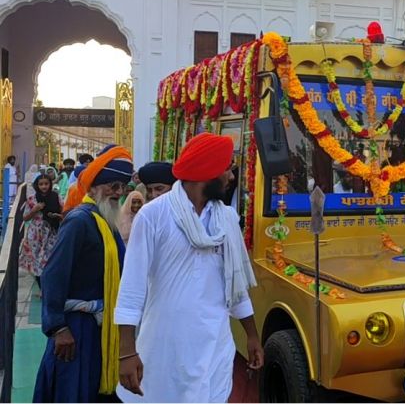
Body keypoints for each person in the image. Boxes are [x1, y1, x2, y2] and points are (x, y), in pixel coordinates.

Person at [115, 133, 263, 402]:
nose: (231, 177)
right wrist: (127, 351)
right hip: (167, 344)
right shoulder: (153, 216)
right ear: (207, 172)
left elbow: (236, 286)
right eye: (227, 169)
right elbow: (132, 288)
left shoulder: (227, 218)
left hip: (215, 342)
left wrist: (252, 335)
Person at [33, 144, 133, 403]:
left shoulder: (106, 224)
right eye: (112, 185)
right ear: (93, 188)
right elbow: (53, 275)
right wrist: (58, 328)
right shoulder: (79, 221)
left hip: (101, 328)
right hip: (75, 330)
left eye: (122, 186)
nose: (118, 192)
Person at [20, 174, 62, 291]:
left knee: (49, 259)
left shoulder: (56, 197)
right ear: (37, 186)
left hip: (51, 233)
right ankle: (42, 289)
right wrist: (34, 209)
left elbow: (63, 213)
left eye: (46, 184)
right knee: (36, 261)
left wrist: (58, 216)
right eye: (41, 184)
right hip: (36, 235)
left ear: (50, 184)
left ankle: (49, 287)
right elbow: (25, 218)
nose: (44, 187)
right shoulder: (32, 199)